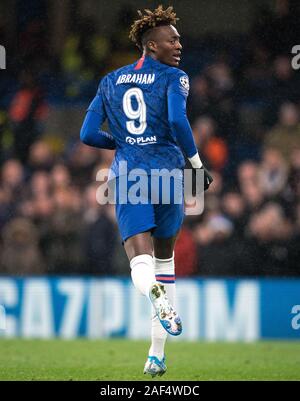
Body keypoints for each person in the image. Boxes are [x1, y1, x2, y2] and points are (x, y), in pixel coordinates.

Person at [80, 5, 213, 377]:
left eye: (179, 38)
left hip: (129, 174)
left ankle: (153, 298)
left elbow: (87, 134)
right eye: (172, 39)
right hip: (169, 173)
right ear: (151, 46)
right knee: (164, 262)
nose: (179, 44)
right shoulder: (174, 77)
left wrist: (123, 143)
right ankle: (156, 355)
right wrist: (197, 165)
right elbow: (175, 119)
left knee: (139, 262)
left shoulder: (109, 81)